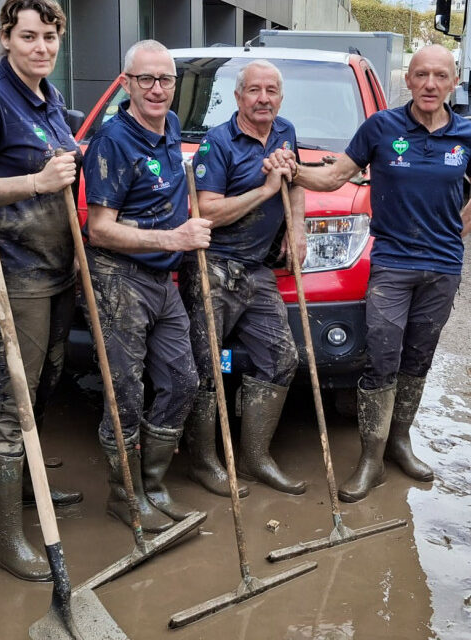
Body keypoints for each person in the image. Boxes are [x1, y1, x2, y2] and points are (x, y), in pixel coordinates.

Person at [266, 45, 471, 503]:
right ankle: (370, 460)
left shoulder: (468, 137)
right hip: (392, 264)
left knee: (418, 359)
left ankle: (399, 443)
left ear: (453, 83)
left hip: (442, 269)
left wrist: (458, 230)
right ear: (407, 82)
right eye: (421, 75)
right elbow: (335, 178)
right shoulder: (381, 128)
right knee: (382, 356)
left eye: (440, 76)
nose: (430, 84)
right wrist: (291, 170)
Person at [0, 0, 80, 583]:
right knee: (13, 397)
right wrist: (37, 179)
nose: (41, 48)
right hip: (9, 269)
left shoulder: (48, 99)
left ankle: (29, 492)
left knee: (48, 378)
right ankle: (5, 539)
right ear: (5, 37)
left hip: (53, 268)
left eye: (50, 37)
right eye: (29, 36)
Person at [81, 40, 212, 533]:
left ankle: (153, 485)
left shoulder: (171, 127)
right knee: (125, 393)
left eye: (166, 80)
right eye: (146, 80)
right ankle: (125, 496)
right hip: (120, 278)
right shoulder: (113, 140)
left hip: (163, 279)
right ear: (127, 83)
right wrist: (175, 236)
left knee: (183, 380)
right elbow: (99, 228)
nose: (157, 89)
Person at [181, 60, 303, 497]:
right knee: (206, 366)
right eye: (254, 90)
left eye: (272, 90)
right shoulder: (218, 143)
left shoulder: (286, 131)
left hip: (259, 270)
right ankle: (204, 462)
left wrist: (297, 226)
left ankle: (255, 459)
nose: (264, 98)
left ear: (281, 97)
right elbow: (206, 209)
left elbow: (297, 183)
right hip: (214, 267)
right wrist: (266, 190)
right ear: (238, 97)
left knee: (282, 357)